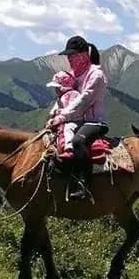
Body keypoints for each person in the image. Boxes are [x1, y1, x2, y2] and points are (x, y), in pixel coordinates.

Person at [50, 36, 109, 199]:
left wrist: (62, 117)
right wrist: (54, 114)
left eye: (72, 55)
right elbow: (64, 96)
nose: (69, 59)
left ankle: (85, 184)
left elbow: (84, 100)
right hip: (75, 120)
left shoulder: (96, 75)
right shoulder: (73, 75)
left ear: (82, 55)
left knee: (77, 141)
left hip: (94, 122)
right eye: (68, 56)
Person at [45, 71, 80, 160]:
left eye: (57, 87)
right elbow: (53, 111)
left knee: (68, 128)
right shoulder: (60, 98)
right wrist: (51, 119)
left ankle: (69, 148)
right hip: (61, 120)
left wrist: (59, 115)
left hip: (74, 121)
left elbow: (72, 110)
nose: (56, 90)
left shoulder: (75, 95)